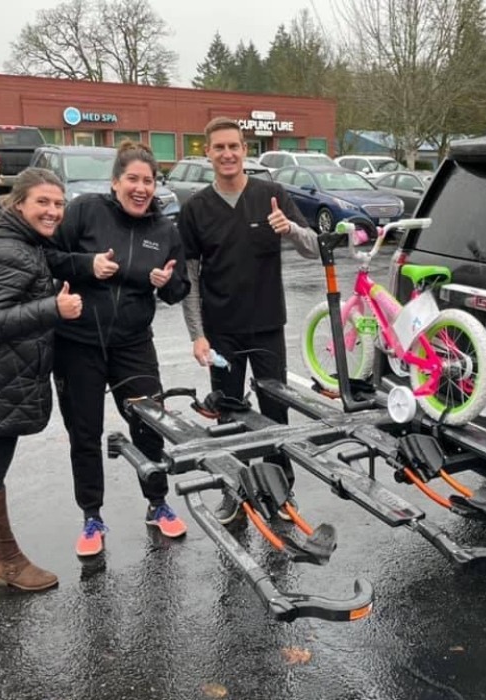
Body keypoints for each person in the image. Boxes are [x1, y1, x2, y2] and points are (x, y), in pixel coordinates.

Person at [47, 140, 190, 556]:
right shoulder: (86, 210)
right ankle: (92, 515)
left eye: (148, 180)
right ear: (115, 182)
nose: (141, 187)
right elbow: (52, 257)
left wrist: (168, 285)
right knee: (85, 432)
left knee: (149, 425)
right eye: (132, 178)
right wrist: (86, 266)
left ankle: (158, 503)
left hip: (132, 344)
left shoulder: (165, 231)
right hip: (78, 343)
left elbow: (179, 288)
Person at [178, 117, 319, 524]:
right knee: (229, 415)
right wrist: (197, 334)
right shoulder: (195, 209)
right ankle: (236, 493)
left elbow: (313, 248)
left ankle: (281, 493)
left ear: (245, 151)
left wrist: (289, 227)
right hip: (222, 331)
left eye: (234, 147)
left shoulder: (271, 195)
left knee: (276, 412)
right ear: (207, 153)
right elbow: (188, 277)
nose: (227, 154)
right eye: (218, 147)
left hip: (267, 325)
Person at [0, 167, 81, 592]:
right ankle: (6, 562)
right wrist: (52, 310)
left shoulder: (19, 242)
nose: (52, 211)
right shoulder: (6, 250)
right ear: (19, 203)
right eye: (42, 202)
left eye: (59, 204)